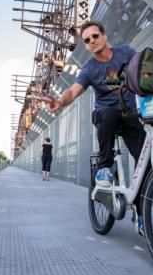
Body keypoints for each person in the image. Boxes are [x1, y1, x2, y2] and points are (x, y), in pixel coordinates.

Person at [42, 21, 146, 231]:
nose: (91, 42)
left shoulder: (125, 53)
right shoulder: (89, 68)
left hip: (129, 114)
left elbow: (144, 70)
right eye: (86, 40)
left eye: (94, 36)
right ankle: (105, 168)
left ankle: (141, 214)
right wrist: (60, 101)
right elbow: (73, 90)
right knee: (107, 113)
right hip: (105, 115)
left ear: (104, 35)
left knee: (145, 163)